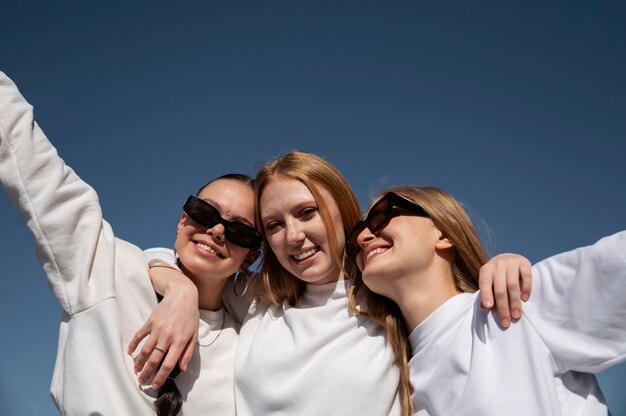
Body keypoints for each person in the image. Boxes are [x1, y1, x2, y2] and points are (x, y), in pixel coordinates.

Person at [137, 152, 533, 416]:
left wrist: (500, 264)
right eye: (274, 225)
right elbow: (173, 256)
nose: (293, 236)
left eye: (307, 212)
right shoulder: (259, 300)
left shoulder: (384, 295)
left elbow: (444, 303)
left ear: (343, 212)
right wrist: (179, 288)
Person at [0, 72, 261, 415]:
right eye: (205, 212)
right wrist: (181, 290)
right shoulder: (106, 267)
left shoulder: (246, 348)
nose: (217, 231)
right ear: (184, 219)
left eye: (239, 230)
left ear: (249, 258)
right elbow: (30, 158)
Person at [347, 186, 626, 415]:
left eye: (381, 215)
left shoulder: (515, 303)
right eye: (356, 235)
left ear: (443, 233)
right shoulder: (392, 388)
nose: (362, 237)